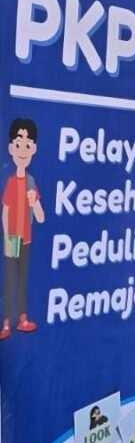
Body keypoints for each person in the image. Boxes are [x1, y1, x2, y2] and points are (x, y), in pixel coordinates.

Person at [1, 118, 45, 340]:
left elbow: (40, 217)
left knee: (22, 280)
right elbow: (5, 212)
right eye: (19, 144)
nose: (23, 149)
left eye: (28, 145)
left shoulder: (31, 183)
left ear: (34, 148)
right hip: (13, 239)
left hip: (26, 240)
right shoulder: (10, 182)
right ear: (11, 147)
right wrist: (7, 239)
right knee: (9, 280)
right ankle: (7, 322)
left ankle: (22, 319)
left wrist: (34, 202)